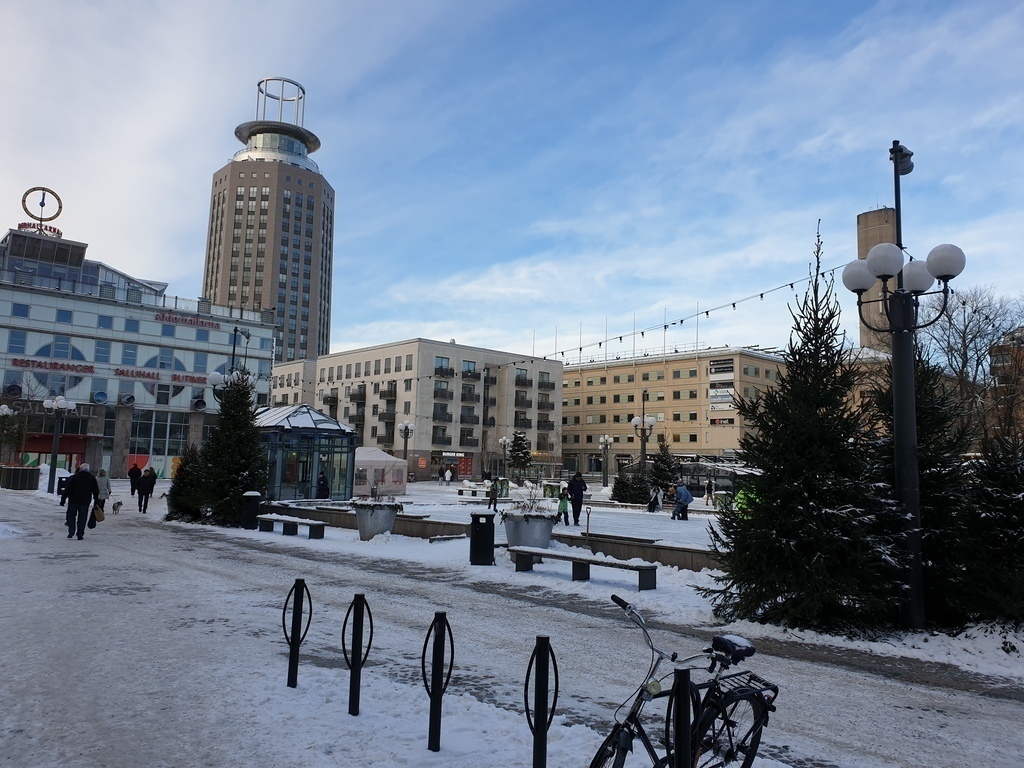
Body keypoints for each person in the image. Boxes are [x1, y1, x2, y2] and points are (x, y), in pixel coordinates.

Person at [62, 463, 99, 540]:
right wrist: (96, 502)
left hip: (73, 501)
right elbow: (96, 491)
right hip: (85, 502)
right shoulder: (92, 478)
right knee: (82, 518)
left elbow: (67, 489)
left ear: (80, 469)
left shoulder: (74, 477)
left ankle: (71, 531)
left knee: (71, 516)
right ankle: (80, 534)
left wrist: (63, 500)